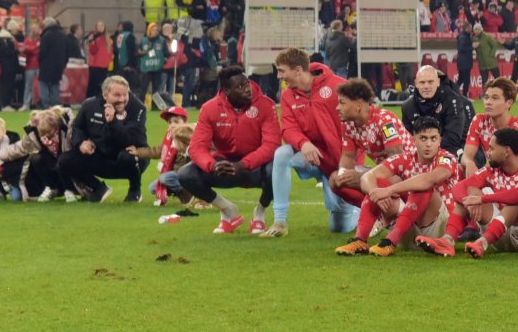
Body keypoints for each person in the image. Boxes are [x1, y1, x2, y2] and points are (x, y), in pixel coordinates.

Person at [172, 66, 280, 235]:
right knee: (185, 174)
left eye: (247, 83)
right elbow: (197, 147)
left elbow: (271, 145)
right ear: (226, 91)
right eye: (240, 87)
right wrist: (212, 166)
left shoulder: (266, 105)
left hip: (254, 166)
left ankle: (259, 213)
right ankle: (227, 210)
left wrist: (243, 164)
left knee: (277, 169)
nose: (247, 89)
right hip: (223, 166)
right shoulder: (209, 108)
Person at [333, 116, 460, 257]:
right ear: (414, 139)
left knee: (423, 187)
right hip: (410, 227)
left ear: (439, 140)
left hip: (439, 229)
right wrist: (376, 193)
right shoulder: (405, 158)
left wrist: (389, 190)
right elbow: (367, 177)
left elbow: (429, 179)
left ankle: (390, 241)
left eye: (433, 139)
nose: (428, 144)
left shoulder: (447, 158)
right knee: (378, 184)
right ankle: (360, 241)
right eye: (423, 138)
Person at [434, 127, 518, 258]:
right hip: (500, 234)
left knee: (517, 201)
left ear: (506, 151)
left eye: (492, 148)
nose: (488, 153)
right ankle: (447, 241)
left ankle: (482, 242)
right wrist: (469, 201)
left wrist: (483, 199)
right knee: (469, 195)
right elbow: (459, 187)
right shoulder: (492, 170)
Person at [271, 49, 353, 236]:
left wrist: (349, 163)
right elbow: (288, 128)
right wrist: (303, 143)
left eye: (282, 71)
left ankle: (356, 208)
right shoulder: (287, 96)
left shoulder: (338, 86)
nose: (279, 76)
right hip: (313, 157)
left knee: (338, 227)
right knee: (282, 154)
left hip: (341, 161)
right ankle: (279, 221)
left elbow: (359, 121)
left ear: (298, 70)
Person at [330, 78, 413, 235]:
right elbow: (347, 157)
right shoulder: (347, 124)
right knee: (335, 180)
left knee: (369, 179)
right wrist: (344, 174)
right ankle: (379, 212)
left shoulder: (384, 120)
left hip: (407, 173)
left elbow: (397, 162)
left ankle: (396, 211)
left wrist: (365, 176)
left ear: (359, 105)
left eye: (342, 103)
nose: (337, 108)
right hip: (383, 172)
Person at [60, 75, 150, 202]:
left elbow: (132, 139)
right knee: (65, 160)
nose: (122, 99)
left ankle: (135, 189)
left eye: (125, 94)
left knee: (129, 154)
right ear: (105, 95)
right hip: (101, 157)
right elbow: (77, 128)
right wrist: (81, 143)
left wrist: (112, 122)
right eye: (117, 95)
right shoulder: (89, 106)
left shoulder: (138, 108)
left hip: (128, 159)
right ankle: (98, 188)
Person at [461, 77, 518, 176]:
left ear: (508, 103)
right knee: (459, 169)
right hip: (494, 176)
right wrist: (469, 163)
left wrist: (483, 173)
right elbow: (466, 156)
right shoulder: (480, 121)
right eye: (487, 97)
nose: (488, 102)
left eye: (495, 98)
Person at [403, 65, 473, 154]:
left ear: (438, 82)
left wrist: (429, 150)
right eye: (422, 82)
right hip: (420, 152)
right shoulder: (407, 106)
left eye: (430, 82)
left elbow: (452, 138)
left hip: (452, 149)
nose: (426, 86)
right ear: (416, 84)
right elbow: (407, 139)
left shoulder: (453, 101)